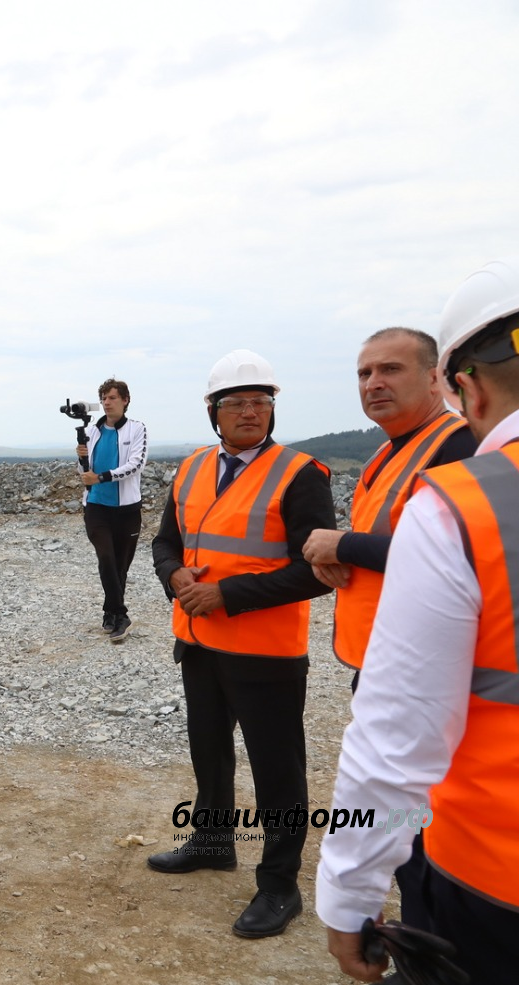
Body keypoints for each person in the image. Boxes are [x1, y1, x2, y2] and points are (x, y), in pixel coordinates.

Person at [317, 256, 519, 985]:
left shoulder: (470, 501)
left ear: (464, 387)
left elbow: (396, 740)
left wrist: (349, 894)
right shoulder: (402, 466)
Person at [302, 328, 474, 985]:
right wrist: (346, 555)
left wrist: (343, 543)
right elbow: (392, 546)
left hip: (426, 672)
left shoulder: (457, 446)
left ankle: (436, 971)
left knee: (427, 829)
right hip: (382, 660)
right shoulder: (393, 451)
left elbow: (449, 546)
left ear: (436, 378)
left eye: (391, 369)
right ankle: (422, 962)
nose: (374, 383)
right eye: (364, 372)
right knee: (413, 833)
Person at [147, 350, 335, 938]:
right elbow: (164, 543)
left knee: (278, 771)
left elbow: (316, 572)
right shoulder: (192, 468)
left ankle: (279, 885)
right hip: (199, 643)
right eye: (237, 402)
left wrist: (227, 595)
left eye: (261, 401)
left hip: (266, 652)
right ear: (214, 411)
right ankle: (212, 842)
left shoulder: (301, 474)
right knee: (209, 753)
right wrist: (174, 576)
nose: (250, 411)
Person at [75, 378, 149, 642]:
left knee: (120, 565)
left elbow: (137, 464)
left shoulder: (137, 429)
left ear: (125, 400)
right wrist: (81, 458)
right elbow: (84, 472)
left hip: (127, 510)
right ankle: (121, 615)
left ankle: (110, 612)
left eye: (112, 398)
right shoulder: (92, 431)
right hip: (96, 507)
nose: (107, 403)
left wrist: (102, 477)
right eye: (104, 398)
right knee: (106, 557)